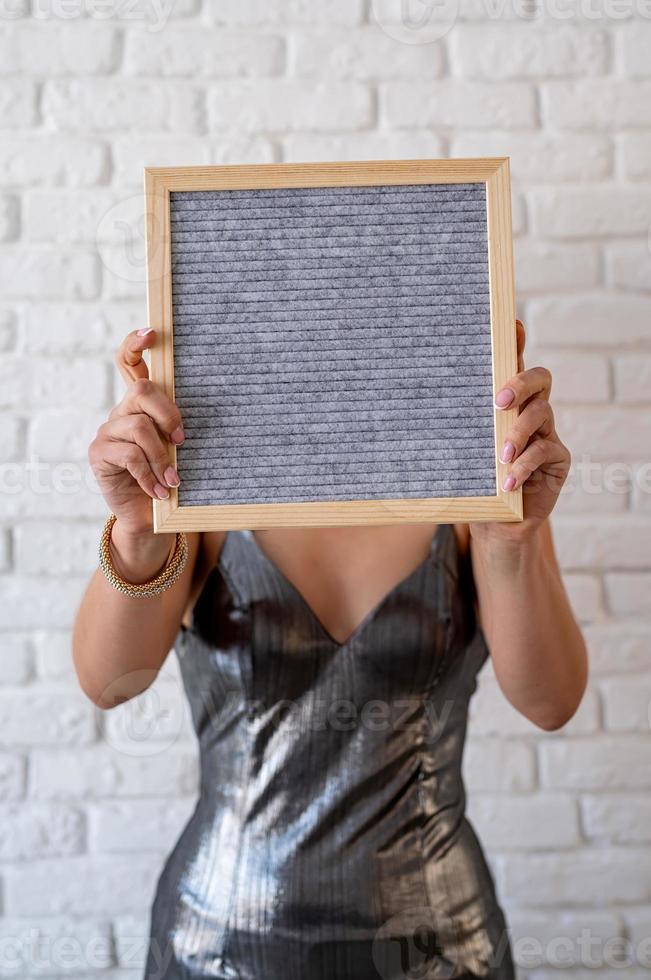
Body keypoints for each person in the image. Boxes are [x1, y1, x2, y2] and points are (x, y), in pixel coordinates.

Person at [73, 319, 588, 980]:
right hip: (215, 946)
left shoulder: (476, 469)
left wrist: (510, 539)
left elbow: (550, 702)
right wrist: (138, 530)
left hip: (442, 949)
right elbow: (109, 684)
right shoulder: (197, 467)